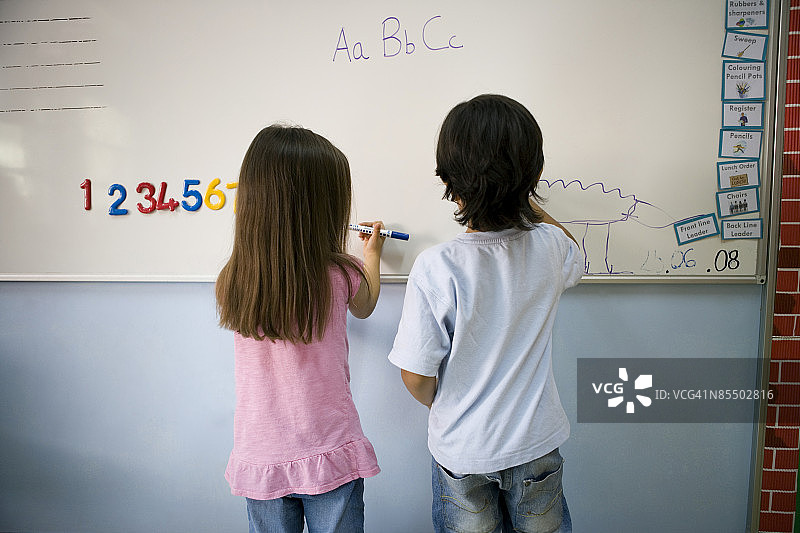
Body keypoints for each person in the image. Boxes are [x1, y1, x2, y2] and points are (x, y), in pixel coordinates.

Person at [388, 94, 582, 533]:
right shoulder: (550, 249)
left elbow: (416, 377)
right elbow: (572, 247)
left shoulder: (438, 266)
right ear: (533, 177)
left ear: (449, 182)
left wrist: (452, 406)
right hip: (536, 445)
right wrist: (522, 201)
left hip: (463, 452)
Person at [216, 124, 385, 533]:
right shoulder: (342, 273)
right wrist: (373, 254)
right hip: (328, 448)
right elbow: (366, 306)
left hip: (262, 458)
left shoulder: (236, 279)